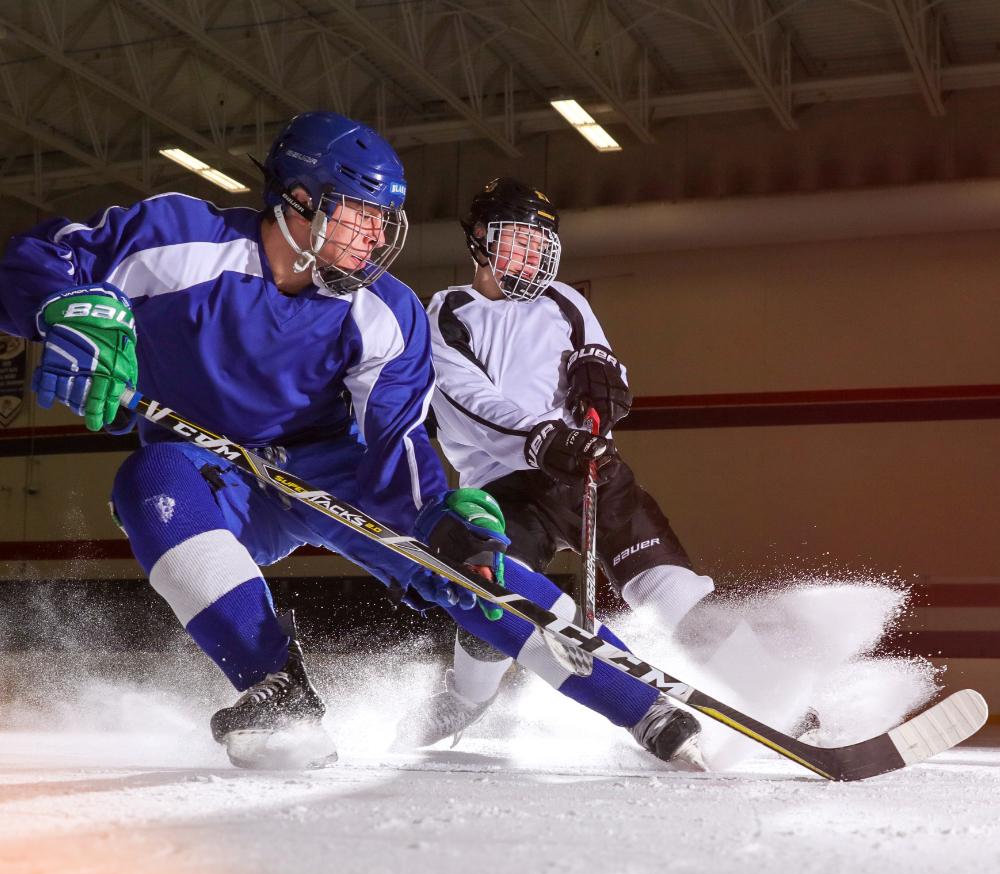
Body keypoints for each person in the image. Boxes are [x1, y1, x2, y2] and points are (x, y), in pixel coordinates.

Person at [0, 116, 702, 769]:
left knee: (467, 561)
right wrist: (68, 306)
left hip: (339, 466)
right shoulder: (180, 238)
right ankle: (278, 691)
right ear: (297, 202)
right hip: (216, 472)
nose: (374, 237)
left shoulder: (386, 311)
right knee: (149, 480)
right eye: (357, 215)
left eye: (381, 220)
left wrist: (443, 514)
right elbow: (34, 261)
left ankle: (645, 704)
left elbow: (392, 436)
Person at [395, 177, 716, 751]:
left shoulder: (567, 301)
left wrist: (606, 383)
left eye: (539, 243)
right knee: (495, 602)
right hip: (504, 487)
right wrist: (544, 439)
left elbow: (600, 362)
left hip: (587, 465)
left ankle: (755, 690)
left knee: (672, 587)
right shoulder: (445, 313)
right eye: (517, 240)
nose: (531, 254)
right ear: (480, 242)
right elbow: (471, 403)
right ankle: (468, 696)